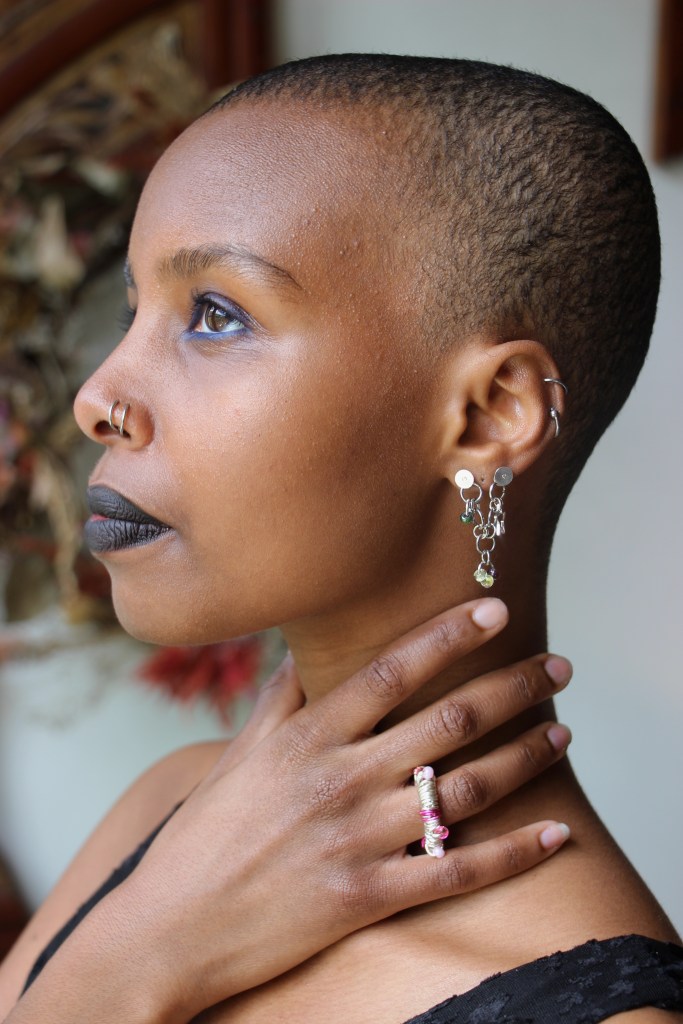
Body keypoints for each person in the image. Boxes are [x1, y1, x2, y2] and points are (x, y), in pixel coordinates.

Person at [1, 53, 682, 1023]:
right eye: (131, 309)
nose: (97, 396)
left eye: (214, 315)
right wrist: (139, 951)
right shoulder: (173, 816)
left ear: (489, 415)